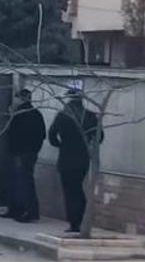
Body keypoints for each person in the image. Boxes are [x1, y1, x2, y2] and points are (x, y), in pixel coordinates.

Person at [48, 89, 104, 233]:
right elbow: (100, 137)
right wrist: (88, 143)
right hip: (83, 158)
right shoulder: (90, 116)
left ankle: (74, 223)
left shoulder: (63, 115)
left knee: (70, 191)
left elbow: (52, 135)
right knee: (78, 189)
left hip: (66, 157)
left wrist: (60, 145)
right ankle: (82, 219)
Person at [0, 89, 46, 223]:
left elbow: (12, 132)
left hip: (19, 152)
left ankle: (25, 210)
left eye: (17, 98)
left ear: (21, 99)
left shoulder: (19, 114)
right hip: (30, 152)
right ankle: (19, 209)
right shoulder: (36, 114)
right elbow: (42, 135)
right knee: (22, 181)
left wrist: (11, 116)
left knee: (21, 182)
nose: (15, 101)